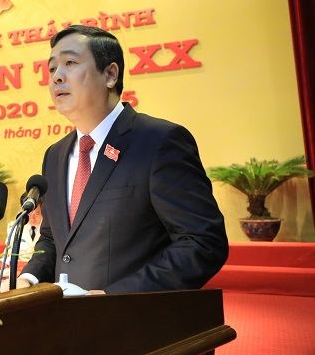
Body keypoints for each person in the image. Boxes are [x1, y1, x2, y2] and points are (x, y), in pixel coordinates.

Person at [12, 25, 228, 295]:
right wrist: (28, 279)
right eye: (52, 68)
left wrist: (113, 296)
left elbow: (203, 242)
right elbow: (53, 239)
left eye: (70, 63)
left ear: (111, 75)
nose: (57, 77)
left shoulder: (159, 142)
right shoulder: (55, 155)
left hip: (134, 317)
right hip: (67, 317)